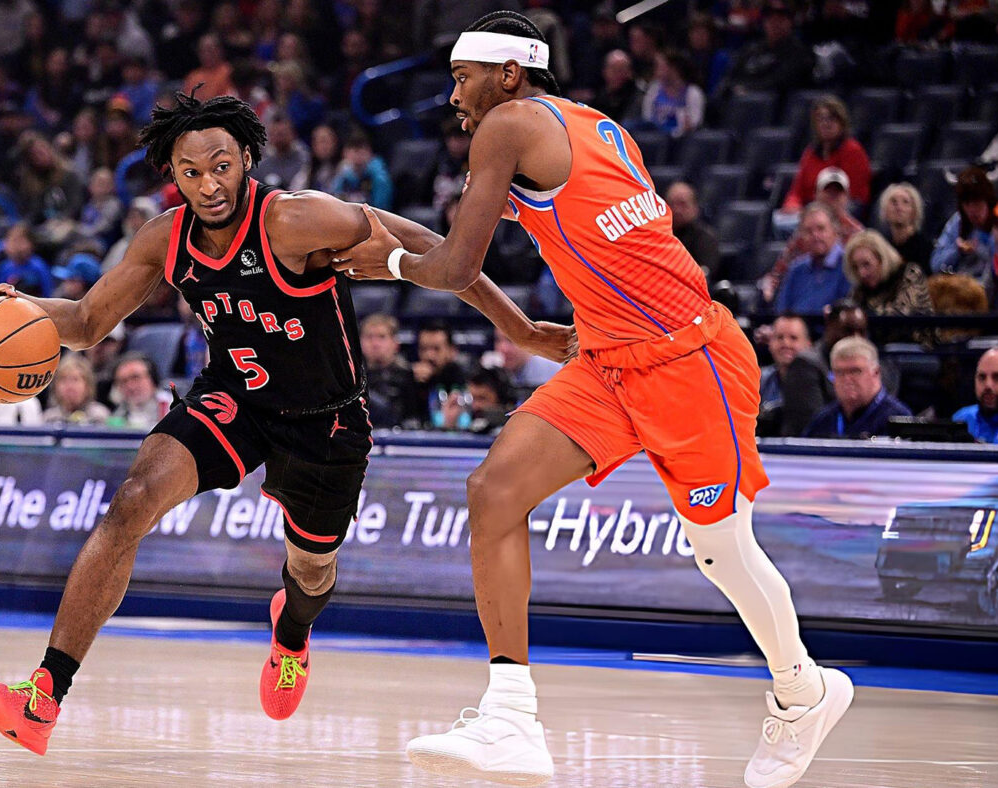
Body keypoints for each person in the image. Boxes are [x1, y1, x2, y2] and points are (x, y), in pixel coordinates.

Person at [0, 91, 570, 756]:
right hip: (234, 398)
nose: (209, 185)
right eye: (191, 172)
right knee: (132, 500)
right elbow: (86, 322)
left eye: (221, 166)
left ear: (247, 157)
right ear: (173, 175)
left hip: (325, 418)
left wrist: (523, 330)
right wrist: (17, 307)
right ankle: (43, 697)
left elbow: (426, 244)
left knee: (311, 571)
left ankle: (291, 634)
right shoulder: (164, 238)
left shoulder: (297, 220)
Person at [333, 13, 851, 787]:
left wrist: (395, 262)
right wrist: (523, 330)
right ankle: (511, 717)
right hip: (606, 360)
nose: (454, 96)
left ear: (509, 74)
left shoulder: (508, 125)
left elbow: (453, 265)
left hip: (689, 359)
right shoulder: (592, 125)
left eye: (463, 77)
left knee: (721, 551)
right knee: (495, 490)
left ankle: (803, 692)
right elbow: (469, 250)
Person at [802, 337, 911, 439]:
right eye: (839, 372)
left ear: (876, 372)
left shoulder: (897, 419)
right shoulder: (823, 421)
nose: (847, 379)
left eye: (855, 371)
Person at [779, 96, 872, 215]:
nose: (825, 123)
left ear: (842, 122)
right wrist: (792, 205)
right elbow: (796, 191)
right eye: (820, 119)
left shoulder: (853, 151)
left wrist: (821, 211)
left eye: (831, 118)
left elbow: (856, 196)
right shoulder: (810, 152)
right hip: (809, 210)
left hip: (840, 211)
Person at [774, 203, 851, 313]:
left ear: (835, 230)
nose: (815, 235)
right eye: (808, 231)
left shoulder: (849, 266)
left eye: (821, 229)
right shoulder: (796, 270)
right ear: (801, 237)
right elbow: (782, 312)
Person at [756, 313, 817, 437]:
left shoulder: (821, 382)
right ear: (770, 343)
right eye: (779, 338)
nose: (786, 344)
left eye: (793, 338)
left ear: (808, 344)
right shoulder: (758, 380)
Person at [359, 313, 418, 429]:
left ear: (395, 343)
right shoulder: (353, 378)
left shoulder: (408, 376)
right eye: (369, 337)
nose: (375, 344)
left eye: (381, 337)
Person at [413, 320, 471, 428]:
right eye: (424, 349)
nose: (429, 355)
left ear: (452, 351)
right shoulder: (409, 379)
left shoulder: (464, 380)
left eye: (436, 349)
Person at [640, 49, 704, 139]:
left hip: (680, 141)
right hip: (655, 139)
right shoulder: (654, 90)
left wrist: (687, 126)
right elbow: (647, 118)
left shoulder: (693, 93)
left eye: (659, 66)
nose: (656, 71)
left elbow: (695, 123)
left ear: (674, 69)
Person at [106, 352, 173, 431]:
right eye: (123, 381)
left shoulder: (174, 408)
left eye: (136, 377)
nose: (130, 386)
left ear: (153, 379)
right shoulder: (118, 413)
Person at [666, 181, 720, 277]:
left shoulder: (705, 238)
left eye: (682, 204)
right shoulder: (661, 235)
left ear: (695, 207)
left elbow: (705, 272)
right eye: (672, 204)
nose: (676, 210)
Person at [876, 183, 933, 275]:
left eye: (905, 202)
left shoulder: (925, 248)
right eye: (893, 202)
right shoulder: (882, 248)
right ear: (885, 211)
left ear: (914, 211)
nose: (899, 207)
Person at [330, 127, 392, 209]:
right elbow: (336, 200)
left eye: (361, 150)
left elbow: (381, 208)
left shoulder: (379, 178)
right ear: (345, 153)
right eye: (354, 151)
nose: (357, 156)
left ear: (369, 152)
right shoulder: (341, 174)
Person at [42, 354, 112, 425]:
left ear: (88, 385)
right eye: (63, 380)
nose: (69, 386)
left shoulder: (99, 416)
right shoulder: (49, 418)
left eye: (75, 379)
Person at [0, 222, 55, 297]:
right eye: (13, 241)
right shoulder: (4, 268)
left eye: (20, 241)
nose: (16, 247)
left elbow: (48, 293)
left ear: (31, 244)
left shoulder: (38, 267)